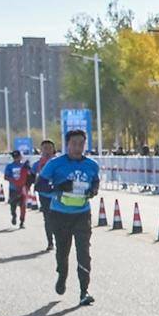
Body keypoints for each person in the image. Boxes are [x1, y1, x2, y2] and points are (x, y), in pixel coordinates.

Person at [34, 128, 100, 305]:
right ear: (67, 145)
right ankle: (62, 275)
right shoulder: (55, 164)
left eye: (81, 144)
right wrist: (59, 187)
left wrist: (93, 190)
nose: (77, 147)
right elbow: (39, 185)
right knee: (63, 252)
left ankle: (84, 291)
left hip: (82, 214)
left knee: (83, 252)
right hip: (60, 215)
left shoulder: (92, 165)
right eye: (74, 144)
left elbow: (95, 181)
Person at [3, 149, 32, 228]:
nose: (16, 158)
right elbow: (6, 177)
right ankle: (14, 215)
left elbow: (30, 176)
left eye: (17, 156)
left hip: (23, 189)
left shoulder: (25, 166)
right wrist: (14, 182)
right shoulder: (9, 166)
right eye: (14, 157)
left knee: (23, 206)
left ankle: (22, 221)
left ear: (20, 157)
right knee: (13, 205)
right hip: (13, 188)